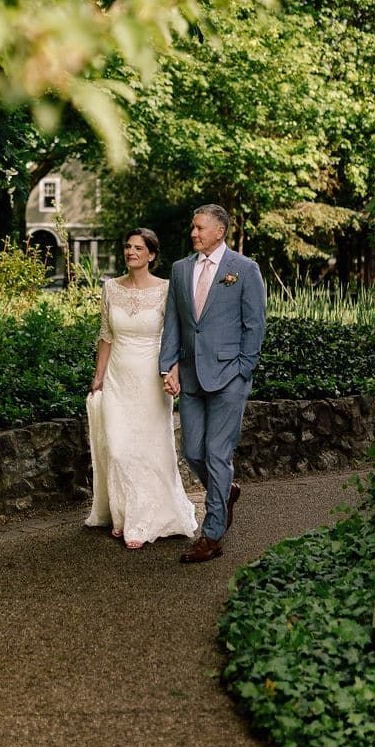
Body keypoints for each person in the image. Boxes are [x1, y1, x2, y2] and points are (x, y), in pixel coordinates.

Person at [159, 204, 266, 564]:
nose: (194, 233)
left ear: (219, 231)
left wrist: (243, 370)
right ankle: (227, 491)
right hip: (190, 376)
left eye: (200, 227)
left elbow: (255, 324)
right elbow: (175, 321)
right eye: (193, 227)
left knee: (218, 455)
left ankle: (212, 534)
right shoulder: (180, 269)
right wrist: (167, 366)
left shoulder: (244, 269)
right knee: (193, 452)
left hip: (229, 377)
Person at [85, 229, 198, 550]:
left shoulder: (165, 289)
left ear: (151, 254)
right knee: (119, 448)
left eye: (138, 248)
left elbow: (176, 336)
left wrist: (172, 370)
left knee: (152, 448)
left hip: (151, 378)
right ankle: (122, 514)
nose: (131, 252)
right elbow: (106, 335)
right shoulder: (110, 288)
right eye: (128, 247)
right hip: (118, 378)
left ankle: (145, 519)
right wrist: (99, 376)